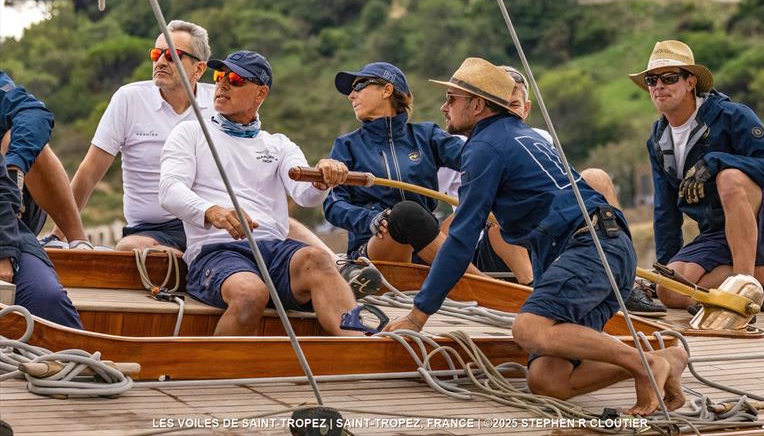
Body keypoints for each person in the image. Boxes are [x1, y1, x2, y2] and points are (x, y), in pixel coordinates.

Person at [385, 58, 687, 416]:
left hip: (588, 246)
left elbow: (462, 238)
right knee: (547, 380)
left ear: (477, 105)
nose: (443, 106)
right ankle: (665, 358)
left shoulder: (486, 147)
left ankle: (643, 364)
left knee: (528, 328)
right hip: (603, 246)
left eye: (452, 98)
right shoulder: (517, 135)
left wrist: (418, 315)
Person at [46, 20, 336, 260]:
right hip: (155, 228)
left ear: (199, 69)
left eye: (172, 56)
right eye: (155, 54)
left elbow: (255, 152)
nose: (160, 61)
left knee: (279, 224)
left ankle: (341, 267)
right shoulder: (129, 99)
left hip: (218, 222)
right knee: (130, 250)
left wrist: (315, 182)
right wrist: (66, 237)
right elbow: (90, 172)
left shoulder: (221, 101)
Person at [159, 50, 363, 336]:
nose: (222, 85)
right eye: (219, 77)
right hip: (216, 251)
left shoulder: (279, 145)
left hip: (274, 251)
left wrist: (322, 178)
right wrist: (213, 212)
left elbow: (306, 196)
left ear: (261, 93)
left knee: (319, 259)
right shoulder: (190, 133)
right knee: (251, 293)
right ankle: (210, 377)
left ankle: (362, 349)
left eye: (235, 79)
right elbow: (169, 190)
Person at [631, 40, 764, 313]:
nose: (658, 86)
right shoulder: (658, 139)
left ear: (690, 82)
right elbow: (665, 211)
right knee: (670, 292)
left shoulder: (732, 116)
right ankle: (760, 274)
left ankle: (744, 291)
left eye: (669, 78)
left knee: (729, 178)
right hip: (717, 234)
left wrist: (717, 161)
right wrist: (665, 270)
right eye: (652, 80)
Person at [323, 62, 480, 288]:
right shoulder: (346, 145)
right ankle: (485, 286)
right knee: (404, 214)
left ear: (387, 90)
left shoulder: (426, 135)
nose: (351, 96)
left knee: (495, 208)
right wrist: (370, 219)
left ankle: (527, 281)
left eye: (359, 86)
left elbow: (478, 159)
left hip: (425, 248)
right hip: (371, 251)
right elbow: (333, 204)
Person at [0, 139, 82, 328]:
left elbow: (3, 191)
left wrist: (3, 254)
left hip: (8, 234)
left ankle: (76, 354)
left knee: (45, 297)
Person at [1, 71, 89, 247]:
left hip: (10, 203)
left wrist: (15, 163)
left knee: (21, 136)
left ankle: (78, 242)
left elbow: (33, 112)